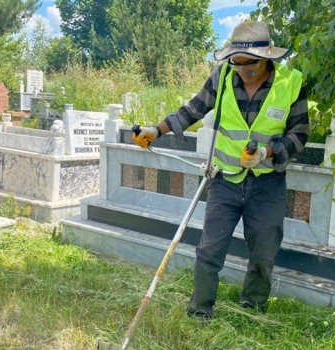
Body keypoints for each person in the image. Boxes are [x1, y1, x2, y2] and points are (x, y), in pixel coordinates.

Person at [131, 21, 309, 319]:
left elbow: (300, 134)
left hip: (267, 184)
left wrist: (267, 152)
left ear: (266, 57)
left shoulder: (291, 83)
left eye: (248, 64)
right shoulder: (224, 76)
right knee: (210, 250)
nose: (242, 70)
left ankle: (252, 307)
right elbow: (192, 110)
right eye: (236, 63)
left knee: (263, 253)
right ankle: (200, 312)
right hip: (225, 180)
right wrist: (156, 130)